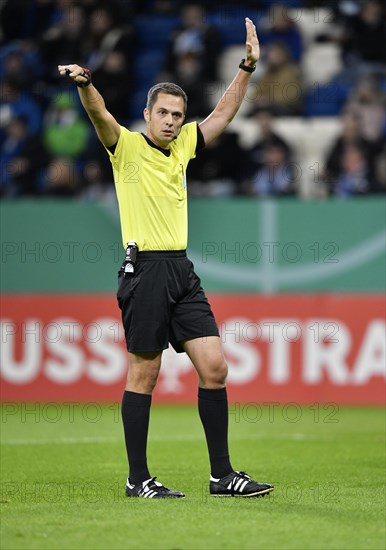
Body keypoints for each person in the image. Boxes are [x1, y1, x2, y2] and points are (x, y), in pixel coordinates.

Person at [58, 17, 274, 499]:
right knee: (145, 373)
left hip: (180, 269)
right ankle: (139, 480)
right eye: (165, 113)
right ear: (148, 113)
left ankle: (222, 476)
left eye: (178, 114)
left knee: (214, 366)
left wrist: (246, 68)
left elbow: (221, 115)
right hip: (145, 270)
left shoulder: (183, 148)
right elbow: (101, 117)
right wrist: (86, 85)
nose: (174, 121)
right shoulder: (127, 148)